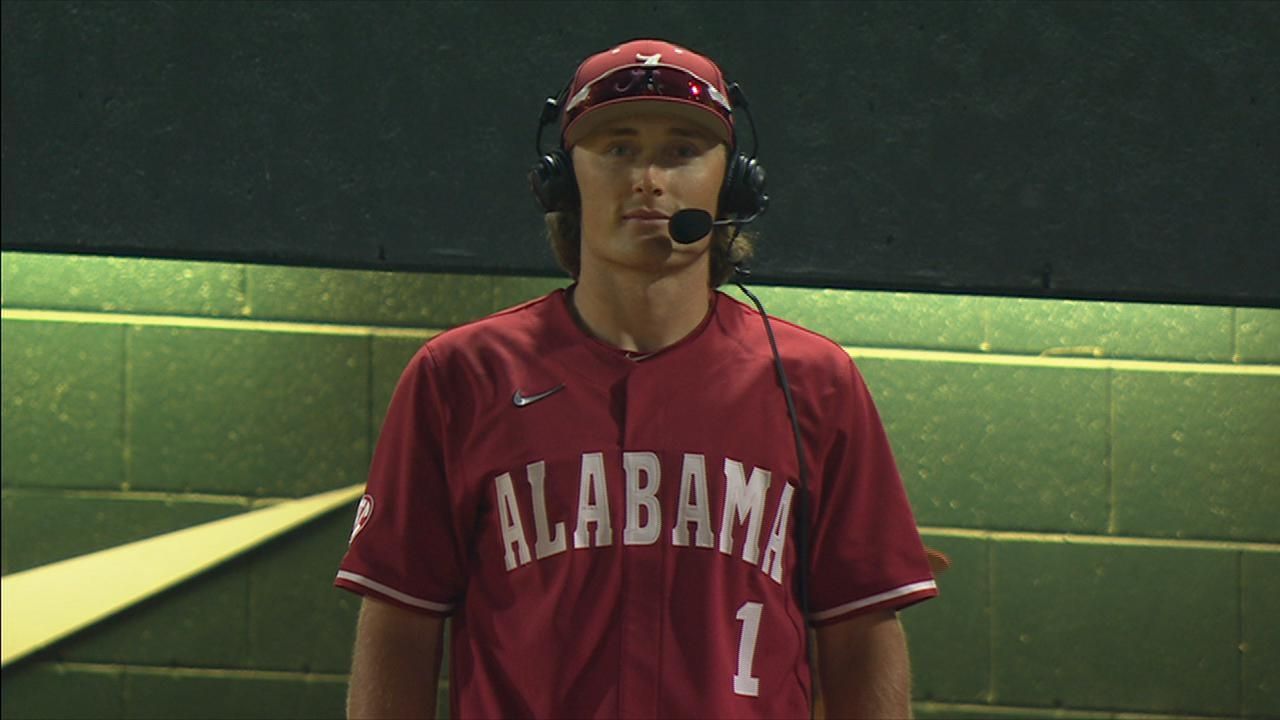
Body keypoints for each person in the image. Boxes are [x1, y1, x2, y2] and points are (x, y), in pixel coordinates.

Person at [336, 38, 939, 719]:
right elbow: (400, 627)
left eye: (682, 150)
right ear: (563, 180)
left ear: (731, 183)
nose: (648, 178)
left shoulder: (815, 384)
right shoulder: (460, 376)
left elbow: (861, 633)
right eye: (617, 147)